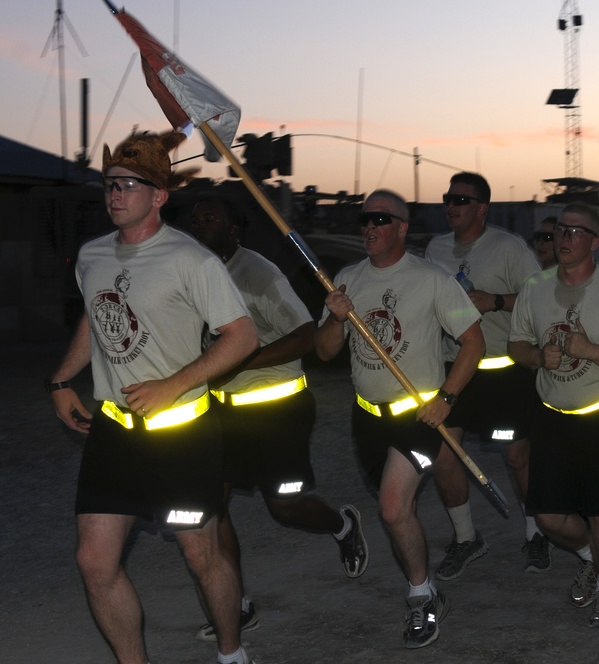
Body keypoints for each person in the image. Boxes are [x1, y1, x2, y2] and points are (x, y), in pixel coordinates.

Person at [47, 131, 259, 664]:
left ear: (159, 194)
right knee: (95, 562)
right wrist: (60, 380)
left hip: (182, 435)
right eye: (110, 184)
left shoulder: (193, 261)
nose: (115, 194)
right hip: (115, 431)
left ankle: (232, 654)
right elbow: (96, 319)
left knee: (200, 555)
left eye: (129, 185)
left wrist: (172, 385)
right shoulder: (93, 255)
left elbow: (242, 336)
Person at [189, 195, 369, 641]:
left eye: (211, 216)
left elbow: (307, 335)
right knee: (210, 508)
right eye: (196, 220)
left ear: (235, 229)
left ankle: (341, 525)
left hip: (278, 412)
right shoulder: (195, 274)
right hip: (222, 413)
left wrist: (241, 362)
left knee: (284, 507)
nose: (200, 225)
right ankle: (237, 604)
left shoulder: (258, 273)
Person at [315, 189, 484, 648]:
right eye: (364, 219)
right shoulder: (347, 279)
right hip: (367, 415)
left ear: (402, 228)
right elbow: (326, 351)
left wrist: (447, 398)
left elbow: (474, 342)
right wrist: (334, 318)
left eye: (381, 219)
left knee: (392, 506)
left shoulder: (431, 279)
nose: (370, 227)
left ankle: (422, 595)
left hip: (420, 413)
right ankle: (420, 581)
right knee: (396, 510)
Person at [508, 202, 599, 627]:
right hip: (553, 416)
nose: (565, 237)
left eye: (576, 231)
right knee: (549, 515)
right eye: (560, 230)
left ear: (594, 243)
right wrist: (538, 356)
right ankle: (592, 558)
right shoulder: (534, 287)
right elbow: (516, 345)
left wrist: (589, 350)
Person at [424, 172, 547, 577]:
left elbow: (539, 298)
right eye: (448, 198)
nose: (452, 206)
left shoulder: (509, 247)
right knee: (444, 457)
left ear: (482, 207)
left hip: (501, 370)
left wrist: (494, 301)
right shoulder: (436, 248)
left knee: (516, 456)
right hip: (453, 368)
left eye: (462, 199)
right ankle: (466, 538)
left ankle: (536, 533)